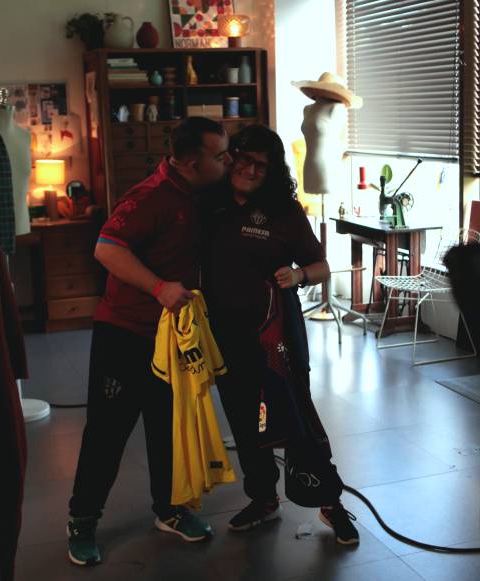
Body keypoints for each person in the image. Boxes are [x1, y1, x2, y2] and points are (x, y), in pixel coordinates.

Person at [66, 117, 232, 567]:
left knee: (168, 425)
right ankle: (82, 520)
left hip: (173, 337)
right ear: (193, 163)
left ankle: (171, 509)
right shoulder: (148, 198)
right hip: (126, 332)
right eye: (220, 156)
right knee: (108, 430)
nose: (228, 161)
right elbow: (106, 248)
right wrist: (159, 288)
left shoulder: (201, 192)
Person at [201, 124, 360, 545]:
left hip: (276, 337)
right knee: (243, 416)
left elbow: (321, 266)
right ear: (230, 156)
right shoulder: (210, 204)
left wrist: (300, 274)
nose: (251, 170)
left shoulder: (283, 212)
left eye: (262, 165)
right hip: (225, 334)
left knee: (294, 416)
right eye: (245, 159)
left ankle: (330, 504)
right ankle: (263, 498)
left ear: (271, 172)